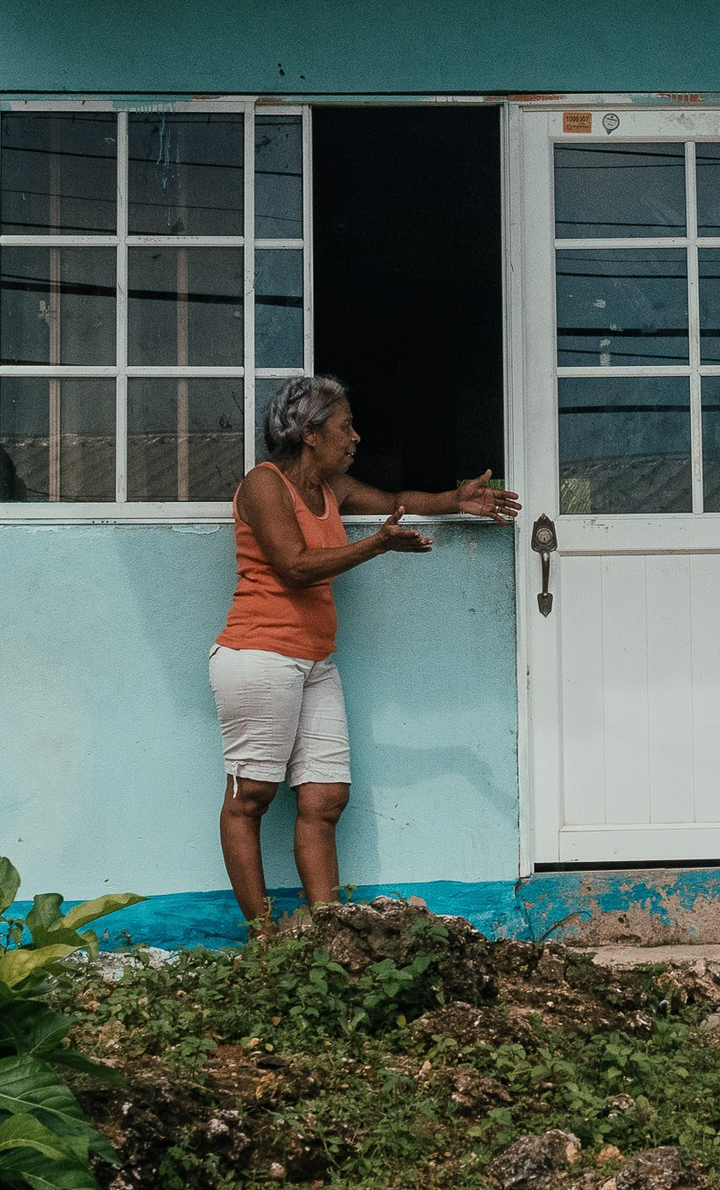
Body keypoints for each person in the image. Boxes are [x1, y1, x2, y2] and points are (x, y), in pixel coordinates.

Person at [212, 374, 520, 922]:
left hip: (313, 661)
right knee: (251, 797)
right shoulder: (264, 485)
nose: (355, 438)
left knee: (325, 799)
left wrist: (456, 498)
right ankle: (262, 938)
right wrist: (375, 546)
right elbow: (294, 566)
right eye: (346, 427)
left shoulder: (333, 487)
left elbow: (397, 501)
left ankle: (327, 930)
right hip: (259, 656)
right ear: (310, 433)